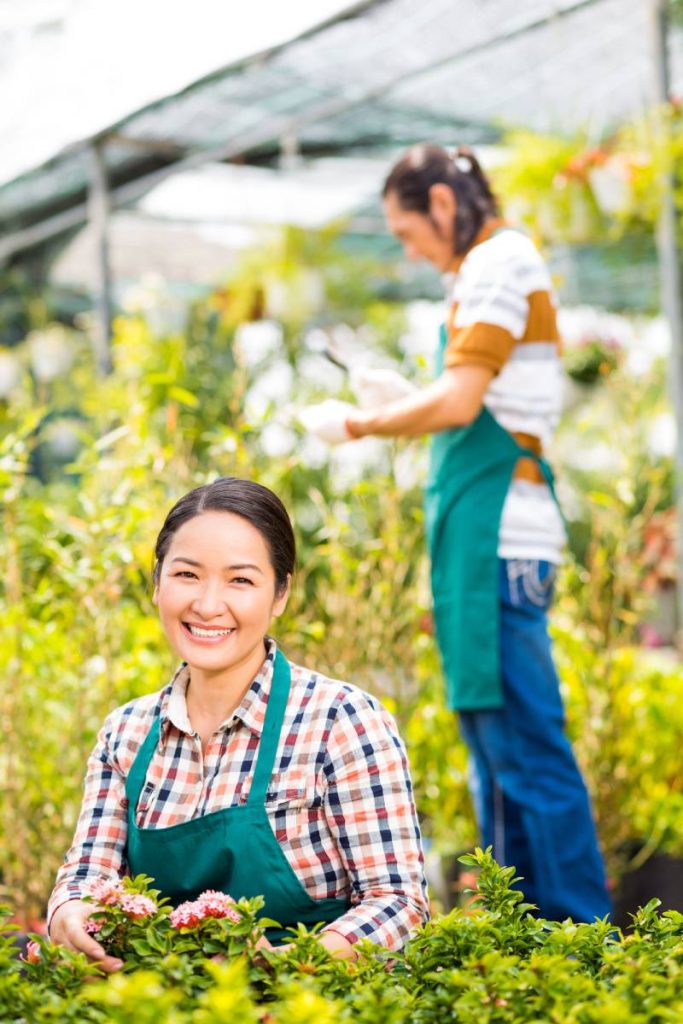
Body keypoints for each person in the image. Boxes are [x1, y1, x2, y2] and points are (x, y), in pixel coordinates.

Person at [300, 144, 611, 923]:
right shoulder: (484, 272)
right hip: (483, 539)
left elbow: (462, 404)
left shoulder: (497, 264)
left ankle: (580, 937)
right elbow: (477, 401)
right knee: (494, 751)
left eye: (407, 232)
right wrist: (410, 395)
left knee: (526, 754)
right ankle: (526, 934)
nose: (408, 251)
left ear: (442, 203)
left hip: (497, 542)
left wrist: (362, 421)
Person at [48, 477, 429, 971]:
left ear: (281, 594)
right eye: (187, 575)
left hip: (313, 1002)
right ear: (157, 581)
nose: (208, 605)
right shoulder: (126, 734)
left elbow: (398, 903)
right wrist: (70, 916)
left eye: (240, 580)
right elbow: (86, 876)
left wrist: (286, 966)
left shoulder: (341, 721)